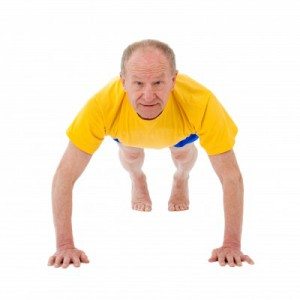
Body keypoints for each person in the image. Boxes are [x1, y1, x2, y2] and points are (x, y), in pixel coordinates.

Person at [48, 39, 254, 268]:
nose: (148, 95)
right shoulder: (102, 106)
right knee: (131, 156)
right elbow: (64, 176)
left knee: (182, 156)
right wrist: (65, 245)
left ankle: (181, 178)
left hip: (179, 133)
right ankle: (137, 177)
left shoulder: (201, 102)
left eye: (158, 83)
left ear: (173, 81)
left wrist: (232, 244)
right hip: (128, 133)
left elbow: (231, 176)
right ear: (123, 82)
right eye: (138, 83)